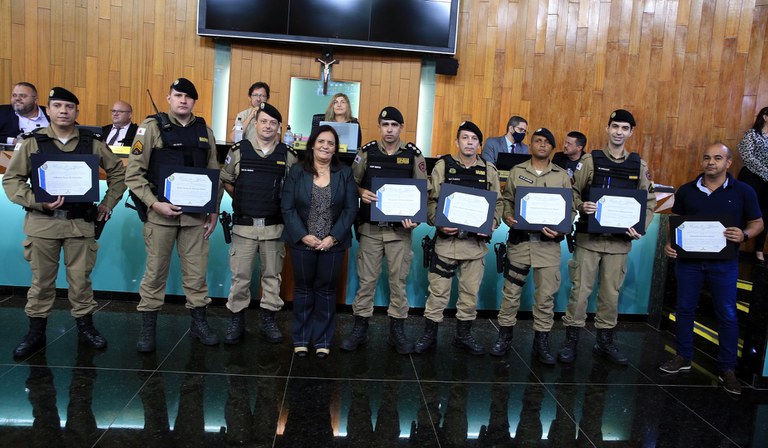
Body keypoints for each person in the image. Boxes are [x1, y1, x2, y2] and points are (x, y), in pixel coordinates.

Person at [2, 87, 126, 358]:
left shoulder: (92, 142)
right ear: (48, 110)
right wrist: (37, 201)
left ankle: (86, 328)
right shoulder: (33, 142)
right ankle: (35, 332)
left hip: (79, 224)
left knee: (81, 281)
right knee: (41, 282)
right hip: (42, 223)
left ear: (76, 111)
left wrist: (108, 203)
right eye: (57, 106)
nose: (63, 111)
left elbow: (118, 172)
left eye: (69, 107)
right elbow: (12, 180)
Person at [125, 78, 221, 352]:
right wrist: (154, 204)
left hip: (195, 218)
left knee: (196, 274)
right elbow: (134, 174)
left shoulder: (205, 131)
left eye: (188, 97)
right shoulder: (150, 128)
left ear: (194, 101)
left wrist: (214, 209)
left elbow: (213, 172)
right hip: (161, 216)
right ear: (169, 98)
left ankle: (199, 324)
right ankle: (148, 328)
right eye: (178, 95)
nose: (183, 100)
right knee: (155, 273)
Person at [660, 143, 763, 396]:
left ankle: (727, 368)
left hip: (724, 264)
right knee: (684, 309)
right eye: (707, 158)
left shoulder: (744, 191)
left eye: (718, 158)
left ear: (728, 163)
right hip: (689, 263)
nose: (711, 162)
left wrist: (744, 235)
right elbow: (676, 222)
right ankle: (683, 356)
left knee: (727, 313)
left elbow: (757, 222)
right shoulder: (687, 190)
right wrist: (670, 244)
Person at [557, 109, 656, 365]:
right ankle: (571, 340)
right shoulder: (590, 161)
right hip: (588, 241)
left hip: (618, 244)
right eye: (615, 126)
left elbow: (649, 202)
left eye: (624, 128)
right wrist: (581, 206)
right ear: (607, 128)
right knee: (580, 292)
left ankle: (604, 341)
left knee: (611, 295)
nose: (619, 132)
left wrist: (640, 227)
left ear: (631, 132)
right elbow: (571, 192)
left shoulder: (639, 166)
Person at [340, 106, 428, 355]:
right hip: (370, 229)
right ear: (379, 126)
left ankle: (396, 331)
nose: (389, 129)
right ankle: (360, 328)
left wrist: (416, 219)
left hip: (400, 232)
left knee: (398, 282)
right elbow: (351, 182)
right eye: (385, 124)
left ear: (401, 128)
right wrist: (361, 192)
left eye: (394, 125)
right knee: (366, 281)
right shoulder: (366, 152)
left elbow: (423, 191)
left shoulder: (413, 155)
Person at [414, 121, 503, 355]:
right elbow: (431, 201)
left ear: (479, 144)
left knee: (469, 294)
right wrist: (438, 222)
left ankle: (463, 335)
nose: (469, 143)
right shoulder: (443, 166)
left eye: (474, 139)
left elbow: (498, 203)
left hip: (475, 246)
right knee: (438, 293)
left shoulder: (489, 170)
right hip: (447, 243)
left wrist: (492, 224)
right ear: (457, 141)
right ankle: (429, 334)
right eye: (465, 138)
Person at [490, 128, 574, 363]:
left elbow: (570, 209)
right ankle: (504, 337)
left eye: (547, 142)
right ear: (531, 145)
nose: (542, 144)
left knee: (546, 297)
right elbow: (507, 200)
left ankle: (541, 343)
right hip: (520, 244)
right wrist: (508, 216)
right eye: (537, 140)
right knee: (510, 294)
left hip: (548, 246)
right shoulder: (517, 171)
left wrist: (561, 228)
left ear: (552, 148)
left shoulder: (561, 176)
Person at [220, 102, 298, 344]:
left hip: (274, 228)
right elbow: (227, 179)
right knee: (240, 276)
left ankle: (268, 320)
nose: (268, 126)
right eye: (263, 121)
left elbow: (294, 189)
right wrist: (242, 199)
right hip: (244, 227)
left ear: (279, 127)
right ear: (255, 123)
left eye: (273, 123)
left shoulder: (288, 155)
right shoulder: (238, 150)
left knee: (272, 277)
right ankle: (237, 319)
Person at [281, 125, 358, 358]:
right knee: (303, 290)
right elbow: (287, 207)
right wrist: (302, 235)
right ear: (312, 144)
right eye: (321, 141)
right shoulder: (297, 171)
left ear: (335, 149)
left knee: (326, 291)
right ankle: (301, 339)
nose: (325, 146)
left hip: (333, 244)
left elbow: (350, 208)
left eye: (330, 143)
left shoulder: (344, 173)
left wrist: (333, 237)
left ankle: (323, 340)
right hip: (303, 242)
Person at [737, 106, 768, 263]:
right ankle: (733, 244)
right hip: (751, 178)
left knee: (765, 214)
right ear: (765, 117)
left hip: (767, 182)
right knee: (743, 211)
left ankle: (759, 250)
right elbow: (747, 157)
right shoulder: (752, 134)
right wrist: (766, 173)